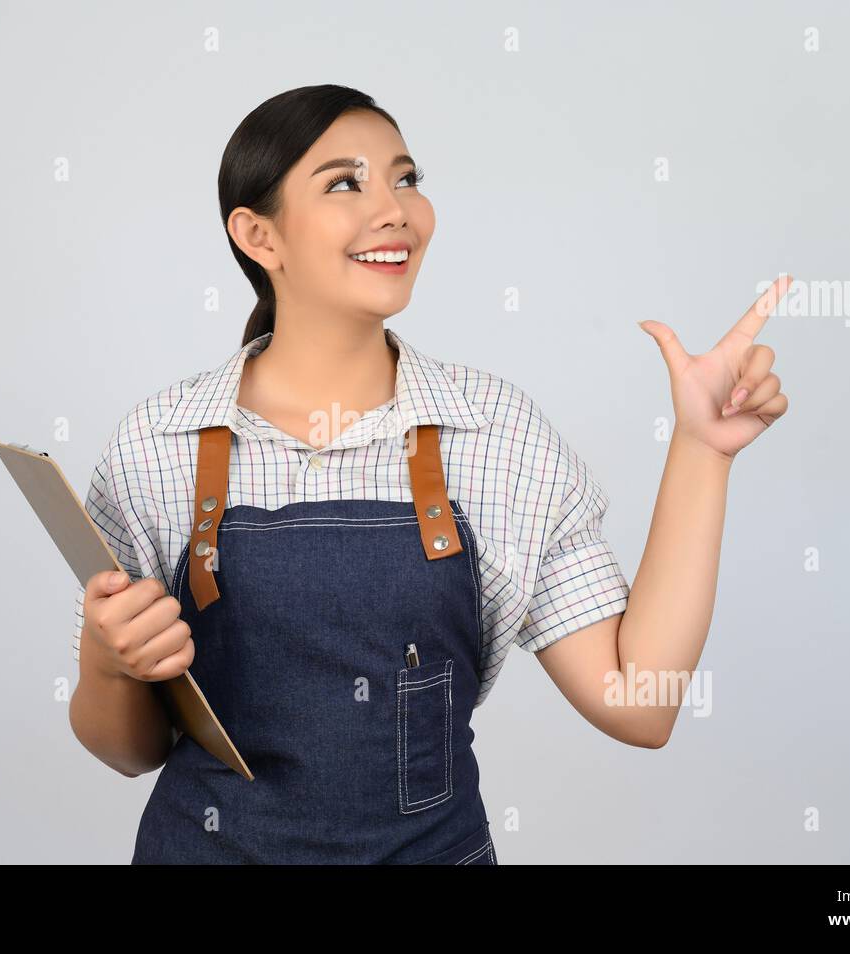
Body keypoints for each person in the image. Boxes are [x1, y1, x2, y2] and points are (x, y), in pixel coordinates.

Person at [66, 84, 791, 865]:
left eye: (405, 179)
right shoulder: (157, 444)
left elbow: (637, 704)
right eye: (345, 183)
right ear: (258, 235)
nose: (395, 210)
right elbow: (127, 749)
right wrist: (108, 664)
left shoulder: (496, 432)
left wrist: (702, 450)